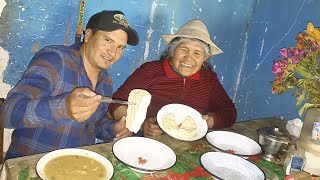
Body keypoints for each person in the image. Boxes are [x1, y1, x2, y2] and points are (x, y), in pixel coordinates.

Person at [0, 10, 138, 159]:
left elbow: (95, 126)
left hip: (78, 164)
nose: (113, 52)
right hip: (32, 166)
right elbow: (8, 113)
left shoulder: (105, 81)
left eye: (120, 47)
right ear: (89, 35)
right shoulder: (55, 59)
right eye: (108, 41)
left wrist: (114, 128)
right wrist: (64, 107)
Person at [108, 19, 237, 136]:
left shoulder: (209, 79)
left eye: (197, 53)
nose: (188, 58)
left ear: (204, 59)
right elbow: (115, 104)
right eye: (184, 49)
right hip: (150, 141)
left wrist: (210, 121)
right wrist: (141, 124)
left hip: (191, 145)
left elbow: (229, 112)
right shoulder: (150, 71)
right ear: (172, 51)